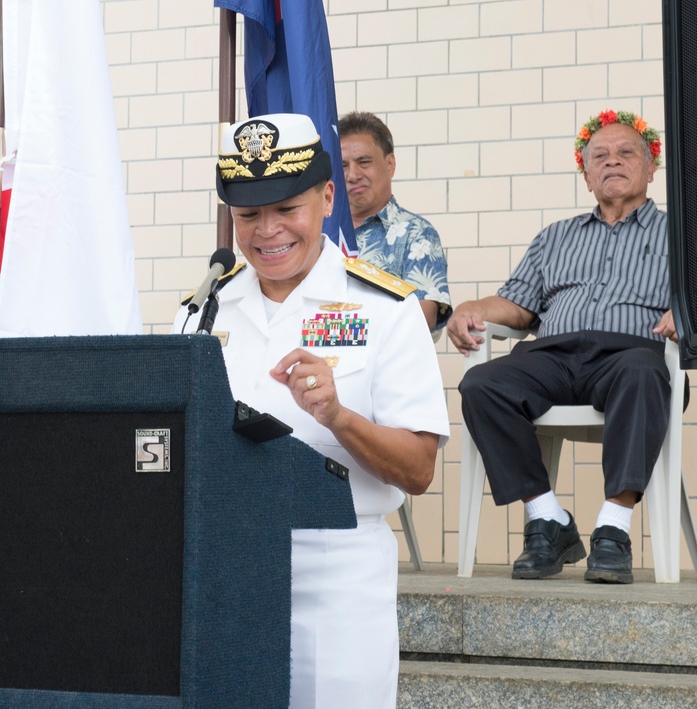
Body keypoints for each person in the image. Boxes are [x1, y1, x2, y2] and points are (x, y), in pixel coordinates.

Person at [176, 113, 449, 708]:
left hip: (336, 578)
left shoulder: (384, 308)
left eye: (286, 209)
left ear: (327, 198)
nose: (267, 231)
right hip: (224, 576)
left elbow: (419, 470)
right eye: (248, 215)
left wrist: (339, 417)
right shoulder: (203, 313)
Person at [448, 110, 676, 585]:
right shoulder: (555, 237)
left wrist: (689, 314)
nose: (612, 161)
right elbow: (516, 306)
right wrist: (473, 306)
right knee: (482, 383)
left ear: (651, 167)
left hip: (632, 356)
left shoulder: (680, 235)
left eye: (625, 152)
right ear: (588, 175)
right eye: (600, 156)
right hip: (551, 356)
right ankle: (546, 516)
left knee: (642, 370)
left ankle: (613, 530)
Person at [338, 110, 452, 333]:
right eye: (343, 165)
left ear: (390, 165)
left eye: (364, 162)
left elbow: (422, 317)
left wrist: (343, 330)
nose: (352, 175)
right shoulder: (320, 234)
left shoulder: (417, 234)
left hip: (385, 363)